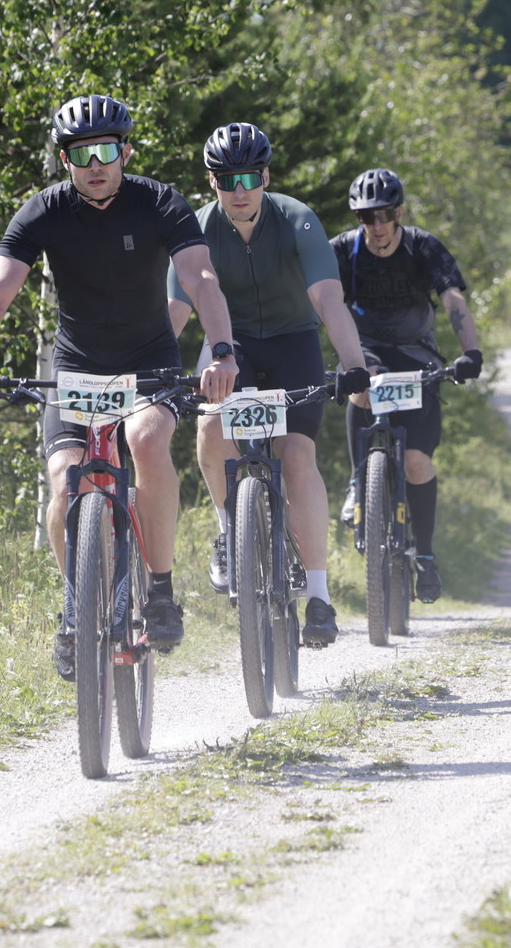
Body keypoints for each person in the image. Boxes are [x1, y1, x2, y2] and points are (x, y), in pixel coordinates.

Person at [0, 94, 238, 679]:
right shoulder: (43, 210)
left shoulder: (159, 202)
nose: (95, 165)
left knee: (145, 441)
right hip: (76, 368)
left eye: (106, 151)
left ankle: (160, 591)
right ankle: (75, 611)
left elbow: (201, 279)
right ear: (65, 160)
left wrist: (221, 351)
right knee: (65, 482)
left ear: (125, 152)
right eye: (81, 154)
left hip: (148, 363)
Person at [167, 122, 372, 647]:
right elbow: (175, 312)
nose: (239, 191)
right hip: (229, 349)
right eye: (227, 179)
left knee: (297, 456)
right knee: (211, 430)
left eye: (249, 178)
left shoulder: (297, 219)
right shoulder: (196, 227)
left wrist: (353, 364)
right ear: (212, 181)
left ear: (265, 177)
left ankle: (320, 597)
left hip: (292, 345)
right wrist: (155, 372)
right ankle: (227, 533)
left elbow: (327, 298)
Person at [334, 167, 483, 602]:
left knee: (417, 462)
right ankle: (359, 481)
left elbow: (453, 298)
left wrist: (471, 353)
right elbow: (319, 301)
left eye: (384, 215)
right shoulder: (342, 250)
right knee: (362, 383)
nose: (377, 225)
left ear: (399, 213)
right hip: (367, 351)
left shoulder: (422, 246)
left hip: (417, 355)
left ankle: (426, 555)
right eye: (367, 217)